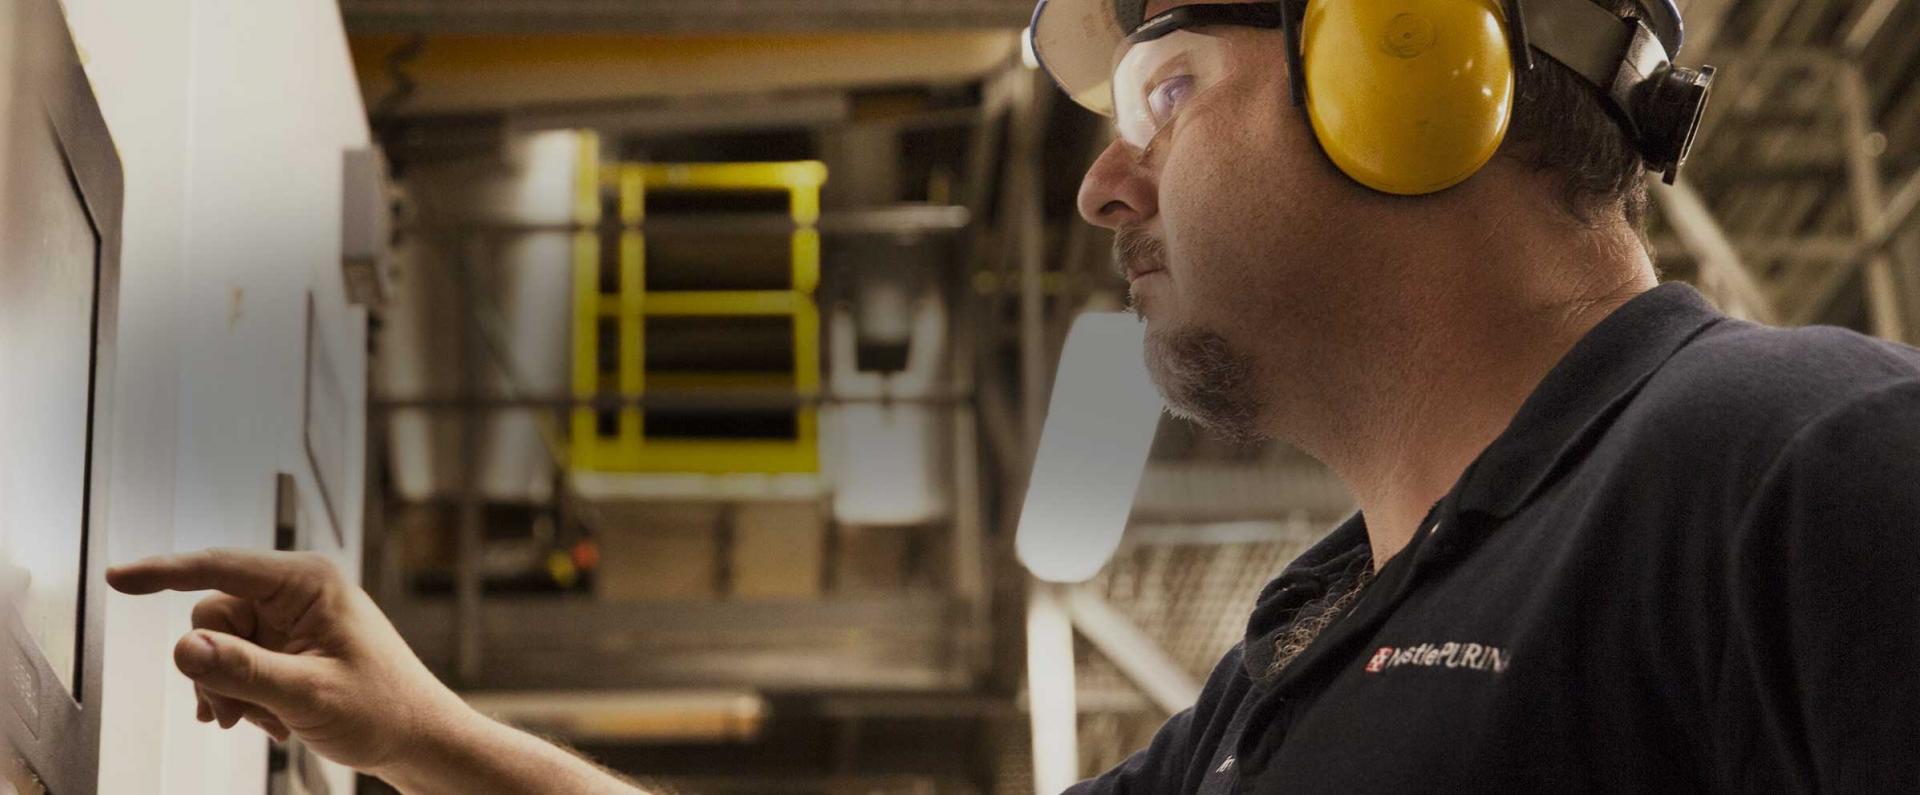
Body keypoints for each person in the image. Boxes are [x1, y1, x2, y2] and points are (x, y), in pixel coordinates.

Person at [112, 0, 1920, 792]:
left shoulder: (1799, 474)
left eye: (1165, 96)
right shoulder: (1288, 673)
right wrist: (423, 731)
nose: (1100, 187)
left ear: (1408, 63)